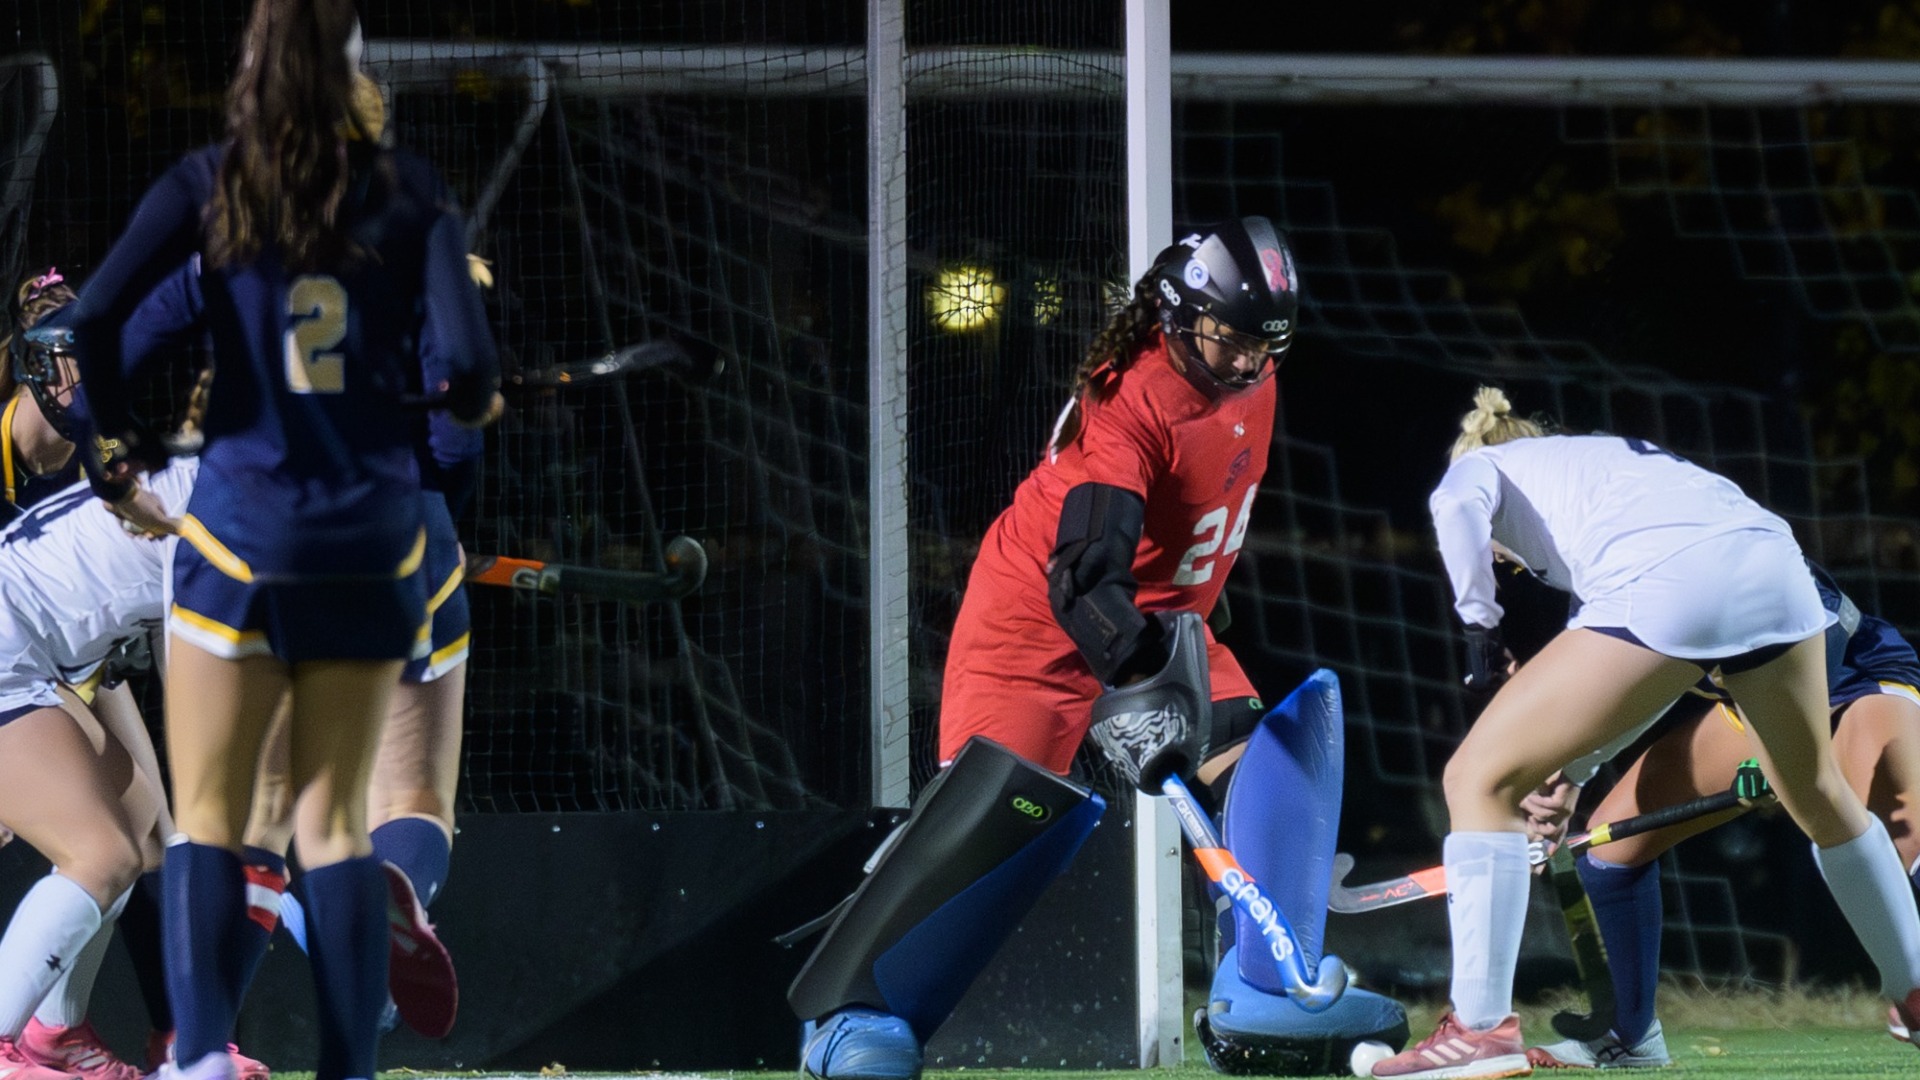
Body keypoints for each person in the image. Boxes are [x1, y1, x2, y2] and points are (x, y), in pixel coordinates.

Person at [788, 217, 1406, 1080]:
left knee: (1271, 755)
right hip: (1037, 625)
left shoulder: (1252, 377)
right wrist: (1139, 675)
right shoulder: (1132, 398)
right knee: (994, 825)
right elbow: (1082, 575)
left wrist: (1184, 622)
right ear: (1179, 316)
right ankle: (851, 1017)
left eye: (1264, 345)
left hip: (1159, 621)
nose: (1245, 363)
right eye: (1229, 339)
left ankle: (1266, 994)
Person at [63, 4, 501, 1080]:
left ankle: (201, 1055)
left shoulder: (211, 189)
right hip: (375, 544)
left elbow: (101, 327)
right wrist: (445, 448)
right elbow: (467, 379)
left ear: (251, 73)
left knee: (214, 819)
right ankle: (350, 1069)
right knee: (337, 823)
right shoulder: (413, 197)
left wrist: (113, 445)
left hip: (242, 539)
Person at [1369, 388, 1920, 1079]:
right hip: (1775, 571)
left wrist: (1481, 627)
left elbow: (1453, 506)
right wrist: (1569, 774)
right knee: (1819, 796)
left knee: (1475, 778)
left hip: (1841, 656)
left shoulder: (1486, 469)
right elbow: (1657, 667)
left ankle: (1479, 1031)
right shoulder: (1611, 487)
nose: (1508, 563)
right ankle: (1913, 991)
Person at [1517, 562, 1920, 1068]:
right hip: (1749, 705)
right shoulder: (1603, 580)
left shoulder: (1720, 544)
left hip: (1856, 678)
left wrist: (1787, 754)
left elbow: (1827, 625)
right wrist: (1572, 778)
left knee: (1898, 836)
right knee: (1609, 849)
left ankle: (1912, 990)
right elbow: (1637, 691)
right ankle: (1627, 1038)